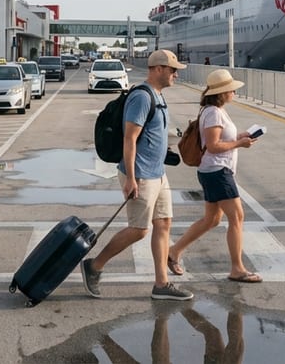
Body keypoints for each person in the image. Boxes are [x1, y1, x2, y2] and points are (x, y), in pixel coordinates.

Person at [81, 49, 193, 301]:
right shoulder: (142, 98)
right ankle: (94, 266)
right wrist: (131, 178)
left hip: (158, 173)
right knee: (139, 229)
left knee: (163, 223)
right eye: (172, 69)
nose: (175, 74)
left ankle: (161, 284)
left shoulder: (158, 96)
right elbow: (129, 139)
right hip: (141, 174)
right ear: (157, 69)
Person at [167, 70, 260, 283]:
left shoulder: (214, 111)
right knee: (237, 217)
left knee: (212, 219)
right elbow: (213, 146)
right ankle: (237, 268)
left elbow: (219, 138)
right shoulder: (214, 113)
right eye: (232, 89)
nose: (235, 91)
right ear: (222, 92)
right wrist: (240, 144)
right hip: (218, 171)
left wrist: (240, 136)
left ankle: (173, 252)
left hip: (214, 171)